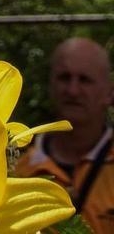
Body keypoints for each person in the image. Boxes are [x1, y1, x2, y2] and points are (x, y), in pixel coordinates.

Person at [18, 39, 114, 234]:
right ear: (50, 86)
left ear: (109, 93)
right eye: (64, 78)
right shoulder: (17, 165)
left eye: (85, 80)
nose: (72, 90)